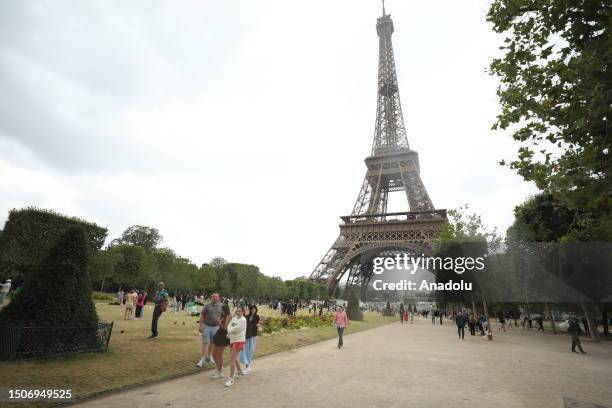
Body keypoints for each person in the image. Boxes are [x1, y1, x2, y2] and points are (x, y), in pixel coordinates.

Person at [197, 293, 222, 368]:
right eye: (213, 297)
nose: (214, 299)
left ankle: (209, 356)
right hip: (206, 326)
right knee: (205, 342)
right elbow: (202, 315)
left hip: (216, 327)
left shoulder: (221, 306)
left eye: (216, 298)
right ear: (211, 298)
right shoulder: (207, 306)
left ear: (218, 298)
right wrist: (200, 325)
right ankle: (202, 359)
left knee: (213, 342)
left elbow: (223, 316)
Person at [225, 305, 247, 387]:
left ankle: (231, 379)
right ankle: (239, 371)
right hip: (232, 339)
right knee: (233, 357)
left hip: (239, 340)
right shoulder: (234, 318)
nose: (238, 312)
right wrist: (230, 330)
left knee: (232, 359)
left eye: (240, 311)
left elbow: (237, 329)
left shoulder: (243, 320)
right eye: (237, 311)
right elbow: (229, 326)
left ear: (243, 312)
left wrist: (229, 331)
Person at [210, 303, 232, 380]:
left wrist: (220, 322)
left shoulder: (229, 316)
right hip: (219, 334)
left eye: (221, 309)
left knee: (219, 354)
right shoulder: (222, 315)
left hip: (224, 336)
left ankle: (220, 372)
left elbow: (226, 328)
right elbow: (220, 325)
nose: (220, 310)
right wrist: (218, 321)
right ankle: (218, 368)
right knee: (214, 354)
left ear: (225, 309)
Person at [240, 305, 260, 374]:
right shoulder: (247, 317)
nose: (253, 310)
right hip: (246, 335)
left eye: (254, 309)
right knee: (245, 350)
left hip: (253, 336)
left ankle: (248, 366)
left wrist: (254, 326)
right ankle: (247, 366)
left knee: (250, 351)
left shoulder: (257, 317)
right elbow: (247, 325)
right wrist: (254, 326)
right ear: (250, 309)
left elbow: (255, 326)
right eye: (252, 309)